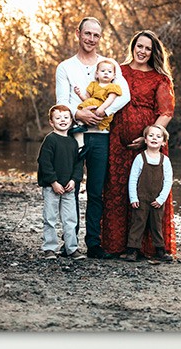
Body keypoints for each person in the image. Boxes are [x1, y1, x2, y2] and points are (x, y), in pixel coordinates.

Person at [54, 18, 130, 258]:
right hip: (74, 136)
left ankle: (94, 244)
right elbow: (61, 102)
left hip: (101, 137)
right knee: (70, 190)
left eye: (96, 35)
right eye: (87, 34)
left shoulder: (109, 65)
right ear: (78, 33)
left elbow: (124, 95)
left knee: (96, 191)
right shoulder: (65, 67)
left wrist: (101, 113)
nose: (91, 39)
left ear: (100, 38)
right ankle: (70, 243)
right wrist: (79, 114)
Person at [104, 30, 176, 259]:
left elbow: (166, 112)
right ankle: (117, 245)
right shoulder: (119, 72)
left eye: (148, 48)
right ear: (132, 47)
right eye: (139, 46)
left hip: (149, 144)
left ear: (153, 52)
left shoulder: (159, 78)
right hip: (117, 141)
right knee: (118, 187)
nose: (142, 51)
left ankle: (149, 246)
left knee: (147, 191)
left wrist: (149, 138)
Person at [120, 124, 174, 261]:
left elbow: (168, 182)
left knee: (157, 225)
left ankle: (160, 250)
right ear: (145, 140)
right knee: (138, 223)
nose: (154, 138)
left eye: (158, 136)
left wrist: (161, 199)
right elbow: (132, 179)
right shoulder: (140, 158)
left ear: (163, 142)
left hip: (157, 199)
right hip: (141, 198)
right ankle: (132, 250)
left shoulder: (165, 160)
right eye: (151, 136)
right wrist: (133, 198)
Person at [35, 105, 83, 259]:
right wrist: (53, 182)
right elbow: (44, 162)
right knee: (49, 218)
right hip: (52, 187)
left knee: (70, 219)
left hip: (69, 188)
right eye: (58, 118)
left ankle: (71, 248)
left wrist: (74, 180)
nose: (62, 120)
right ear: (51, 122)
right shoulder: (50, 140)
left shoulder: (73, 142)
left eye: (66, 118)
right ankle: (49, 248)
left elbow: (78, 164)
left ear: (71, 121)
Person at [70, 58, 123, 148]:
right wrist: (79, 94)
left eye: (109, 72)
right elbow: (86, 98)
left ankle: (81, 126)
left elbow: (111, 99)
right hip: (92, 107)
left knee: (90, 104)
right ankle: (80, 142)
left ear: (114, 76)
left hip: (102, 109)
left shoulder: (113, 87)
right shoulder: (93, 84)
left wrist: (101, 109)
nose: (106, 73)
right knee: (84, 110)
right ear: (97, 74)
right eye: (103, 71)